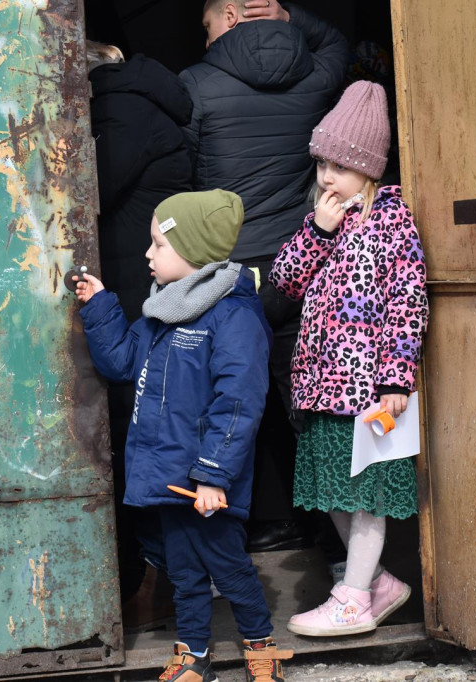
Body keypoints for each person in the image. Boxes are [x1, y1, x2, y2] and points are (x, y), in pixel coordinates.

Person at [74, 190, 293, 681]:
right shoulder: (163, 309)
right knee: (183, 573)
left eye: (159, 244)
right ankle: (193, 654)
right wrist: (100, 305)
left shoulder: (233, 316)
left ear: (194, 252)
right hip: (169, 476)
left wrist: (214, 475)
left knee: (230, 568)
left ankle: (261, 648)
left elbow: (238, 403)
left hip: (207, 481)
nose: (148, 255)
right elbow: (121, 362)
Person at [182, 0, 350, 553]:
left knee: (230, 400)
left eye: (207, 26)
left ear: (229, 16)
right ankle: (337, 543)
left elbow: (185, 174)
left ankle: (235, 531)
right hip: (303, 265)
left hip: (232, 275)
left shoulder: (196, 84)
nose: (205, 40)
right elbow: (339, 46)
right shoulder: (314, 77)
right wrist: (293, 15)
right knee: (302, 400)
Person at [268, 81, 429, 636]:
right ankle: (378, 583)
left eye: (340, 166)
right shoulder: (325, 221)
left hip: (366, 390)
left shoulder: (393, 222)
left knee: (364, 495)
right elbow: (284, 280)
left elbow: (407, 303)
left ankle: (354, 598)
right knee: (334, 488)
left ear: (368, 168)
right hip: (319, 386)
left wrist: (396, 377)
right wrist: (318, 230)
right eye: (322, 164)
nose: (327, 177)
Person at [86, 41, 194, 629]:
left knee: (142, 433)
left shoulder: (121, 110)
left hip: (141, 289)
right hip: (141, 286)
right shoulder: (143, 100)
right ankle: (160, 577)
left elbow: (81, 189)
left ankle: (159, 580)